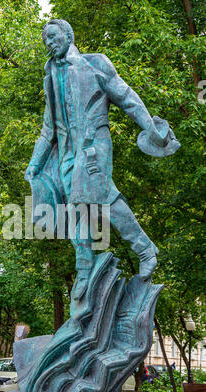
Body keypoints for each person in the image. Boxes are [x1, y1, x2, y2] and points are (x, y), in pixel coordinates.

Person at [25, 19, 180, 301]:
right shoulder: (49, 75)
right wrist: (35, 164)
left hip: (94, 144)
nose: (49, 42)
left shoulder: (95, 63)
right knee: (75, 207)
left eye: (53, 35)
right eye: (45, 39)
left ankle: (141, 251)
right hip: (67, 152)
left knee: (101, 196)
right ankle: (93, 263)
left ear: (67, 34)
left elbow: (127, 98)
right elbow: (49, 128)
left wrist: (151, 128)